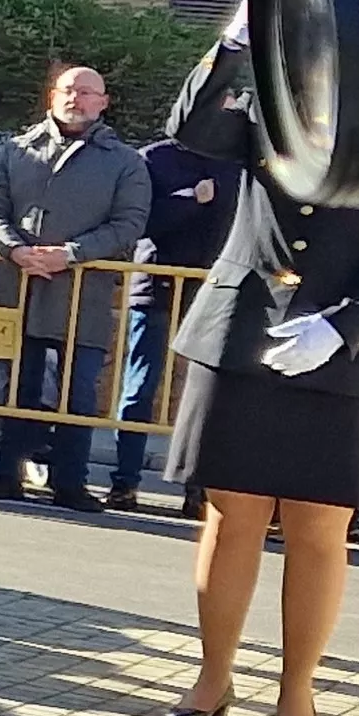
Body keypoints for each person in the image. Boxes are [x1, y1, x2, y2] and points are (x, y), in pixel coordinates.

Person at [162, 21, 359, 716]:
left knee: (320, 527)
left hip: (343, 349)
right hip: (243, 328)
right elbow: (189, 124)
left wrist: (341, 329)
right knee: (233, 514)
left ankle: (297, 689)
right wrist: (232, 46)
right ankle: (213, 676)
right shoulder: (271, 111)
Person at [0, 65, 148, 510]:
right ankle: (6, 473)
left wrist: (70, 253)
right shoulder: (15, 150)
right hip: (21, 285)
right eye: (69, 90)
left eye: (88, 92)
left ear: (104, 103)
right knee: (18, 386)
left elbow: (129, 225)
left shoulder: (125, 162)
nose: (77, 98)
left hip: (83, 292)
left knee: (79, 391)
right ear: (52, 96)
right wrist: (15, 250)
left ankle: (70, 482)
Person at [112, 118, 238, 512]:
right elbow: (138, 223)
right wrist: (190, 200)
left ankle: (196, 490)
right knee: (141, 386)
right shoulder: (153, 159)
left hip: (215, 290)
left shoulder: (235, 162)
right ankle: (124, 482)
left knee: (205, 394)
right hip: (157, 286)